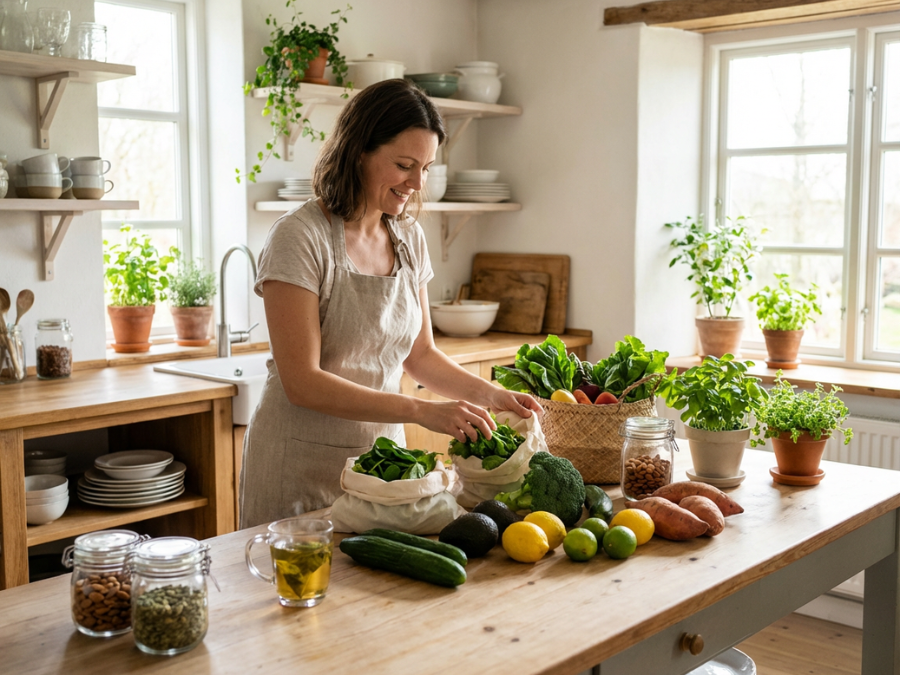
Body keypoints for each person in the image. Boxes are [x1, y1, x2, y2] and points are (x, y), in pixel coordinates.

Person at [240, 79, 541, 528]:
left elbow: (420, 355)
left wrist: (492, 395)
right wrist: (423, 411)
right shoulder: (299, 237)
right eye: (404, 164)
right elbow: (302, 381)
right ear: (359, 150)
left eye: (427, 167)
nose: (417, 183)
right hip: (297, 466)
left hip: (384, 469)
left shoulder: (408, 238)